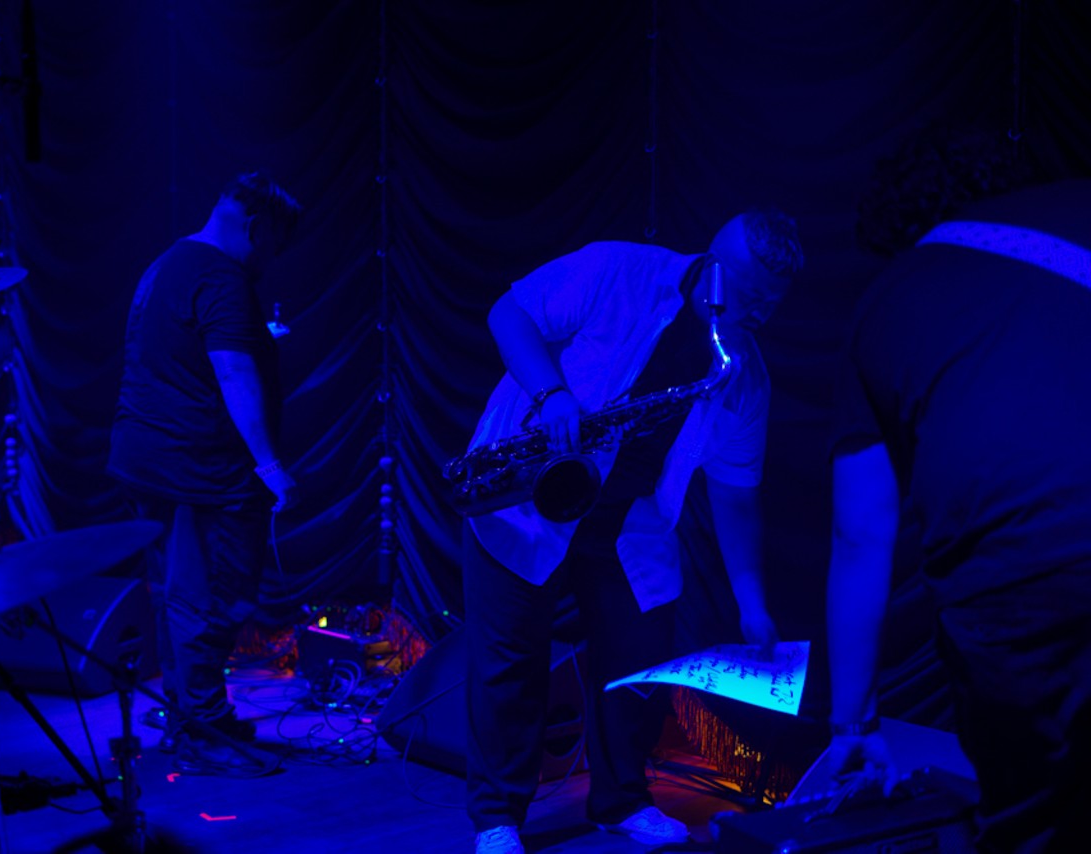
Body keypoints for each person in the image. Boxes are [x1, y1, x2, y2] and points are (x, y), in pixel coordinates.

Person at [463, 210, 803, 853]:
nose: (757, 315)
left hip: (627, 518)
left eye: (771, 305)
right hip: (530, 492)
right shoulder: (615, 270)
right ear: (713, 264)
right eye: (750, 296)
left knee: (638, 658)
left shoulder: (743, 374)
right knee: (510, 662)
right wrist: (552, 396)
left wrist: (752, 604)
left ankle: (621, 800)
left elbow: (736, 499)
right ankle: (497, 818)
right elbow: (509, 314)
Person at [825, 132, 1091, 852]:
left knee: (1035, 823)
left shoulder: (890, 298)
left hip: (1017, 592)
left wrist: (853, 726)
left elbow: (861, 536)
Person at [108, 170, 301, 775]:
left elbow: (178, 351)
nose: (266, 261)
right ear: (255, 226)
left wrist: (255, 336)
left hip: (148, 458)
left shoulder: (168, 264)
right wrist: (271, 465)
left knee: (176, 595)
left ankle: (194, 716)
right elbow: (234, 375)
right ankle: (202, 736)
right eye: (270, 246)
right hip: (196, 467)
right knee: (212, 597)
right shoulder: (221, 275)